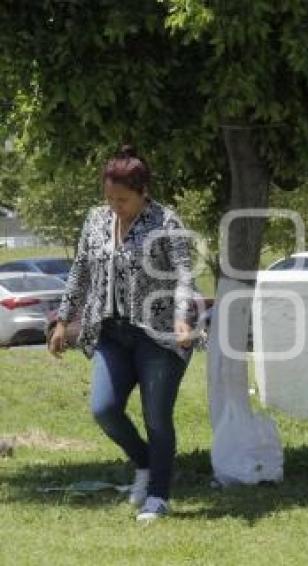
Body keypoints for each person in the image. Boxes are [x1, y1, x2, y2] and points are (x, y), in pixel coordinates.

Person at [48, 145, 197, 520]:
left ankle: (158, 496)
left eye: (123, 199)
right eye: (110, 198)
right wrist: (63, 320)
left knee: (156, 416)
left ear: (143, 191)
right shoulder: (96, 221)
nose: (116, 206)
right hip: (110, 332)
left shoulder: (166, 221)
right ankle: (146, 464)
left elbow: (183, 273)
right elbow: (81, 271)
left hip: (159, 335)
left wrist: (182, 318)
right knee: (104, 408)